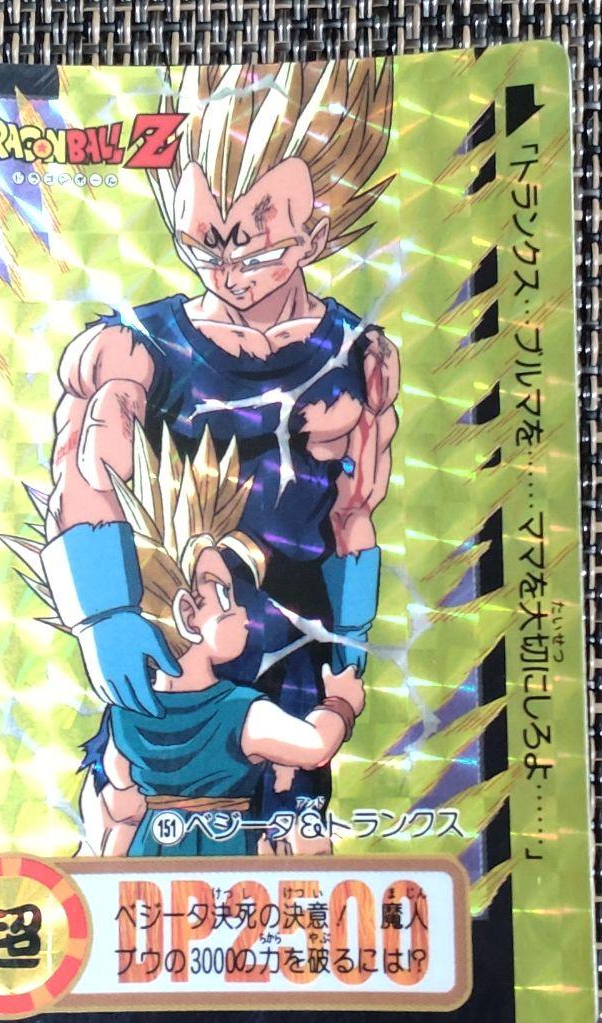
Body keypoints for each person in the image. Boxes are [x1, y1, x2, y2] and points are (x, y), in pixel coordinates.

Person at [38, 61, 398, 843]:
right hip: (175, 655)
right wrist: (101, 614)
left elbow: (355, 509)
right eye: (202, 243)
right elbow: (83, 466)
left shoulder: (356, 358)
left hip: (294, 661)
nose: (228, 269)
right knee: (131, 848)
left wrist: (353, 635)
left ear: (316, 236)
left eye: (254, 247)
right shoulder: (136, 347)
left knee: (287, 866)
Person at [80, 427, 364, 857]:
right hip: (223, 861)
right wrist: (341, 703)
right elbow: (314, 747)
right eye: (226, 597)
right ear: (187, 615)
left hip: (149, 860)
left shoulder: (125, 716)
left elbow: (122, 801)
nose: (243, 612)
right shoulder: (239, 710)